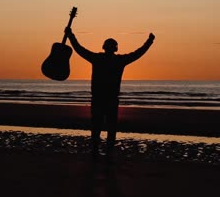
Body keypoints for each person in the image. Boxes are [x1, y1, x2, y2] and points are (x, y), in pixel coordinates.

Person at [65, 27, 155, 161]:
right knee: (111, 128)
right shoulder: (119, 60)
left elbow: (79, 49)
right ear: (115, 48)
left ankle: (95, 151)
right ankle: (108, 153)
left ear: (104, 47)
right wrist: (149, 42)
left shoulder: (97, 58)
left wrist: (70, 36)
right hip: (110, 99)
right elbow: (138, 53)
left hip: (99, 99)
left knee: (96, 127)